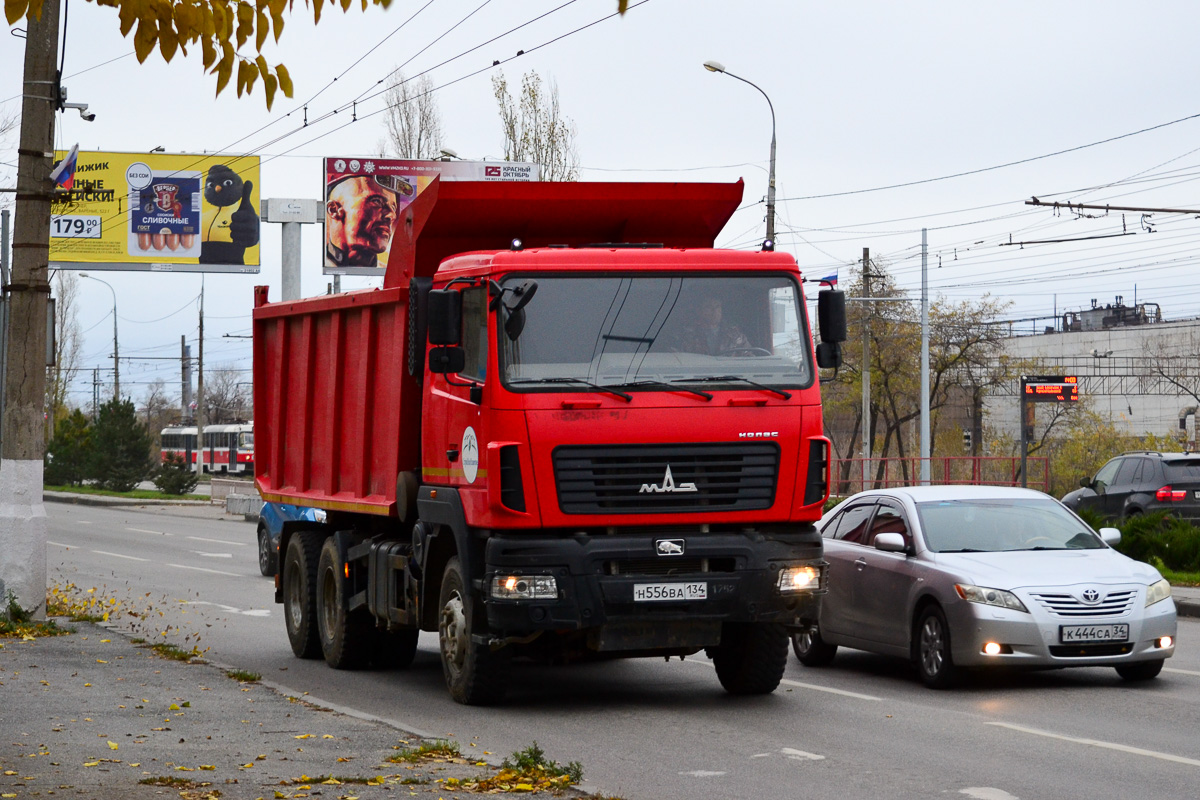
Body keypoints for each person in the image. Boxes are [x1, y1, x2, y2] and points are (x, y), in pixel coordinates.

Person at [324, 175, 403, 267]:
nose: (392, 215)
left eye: (393, 207)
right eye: (377, 201)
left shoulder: (390, 275)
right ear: (334, 210)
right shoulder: (313, 268)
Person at [669, 295, 752, 355]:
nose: (714, 311)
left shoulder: (735, 335)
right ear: (699, 311)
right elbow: (675, 359)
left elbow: (748, 357)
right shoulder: (684, 335)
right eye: (708, 307)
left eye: (717, 307)